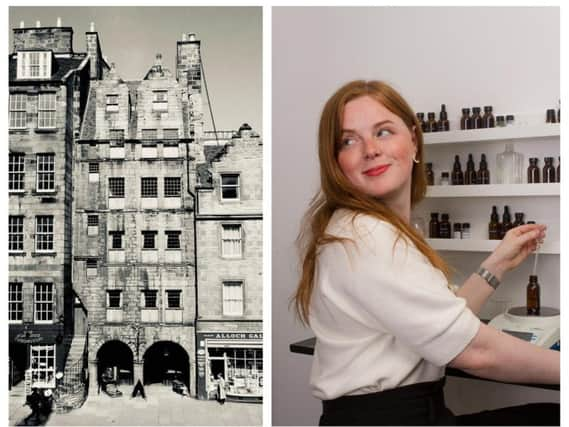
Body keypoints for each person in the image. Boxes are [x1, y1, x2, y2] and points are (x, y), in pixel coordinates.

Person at [293, 80, 560, 426]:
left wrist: (498, 264)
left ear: (414, 140)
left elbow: (438, 328)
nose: (370, 149)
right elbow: (475, 351)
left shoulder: (370, 229)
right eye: (348, 140)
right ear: (335, 162)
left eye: (384, 132)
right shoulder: (366, 236)